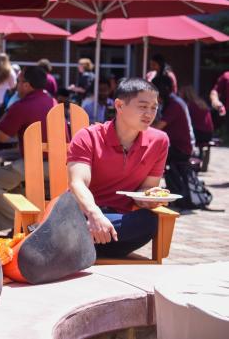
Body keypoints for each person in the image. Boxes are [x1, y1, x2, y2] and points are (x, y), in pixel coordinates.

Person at [68, 78, 170, 258]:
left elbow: (146, 188)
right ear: (119, 106)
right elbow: (77, 183)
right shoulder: (89, 136)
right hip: (84, 214)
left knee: (150, 221)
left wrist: (148, 199)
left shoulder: (159, 141)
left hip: (120, 224)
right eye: (143, 106)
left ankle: (78, 244)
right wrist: (95, 216)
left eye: (154, 107)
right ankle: (82, 240)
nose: (149, 113)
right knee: (76, 223)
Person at [0, 66, 56, 231]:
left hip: (36, 164)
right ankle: (25, 221)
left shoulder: (22, 105)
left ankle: (22, 225)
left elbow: (1, 137)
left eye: (18, 81)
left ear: (27, 85)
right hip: (61, 165)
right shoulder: (52, 101)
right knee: (12, 183)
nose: (15, 85)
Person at [152, 75, 195, 164]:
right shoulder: (169, 101)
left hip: (182, 148)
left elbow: (157, 127)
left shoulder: (175, 104)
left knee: (146, 151)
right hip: (174, 145)